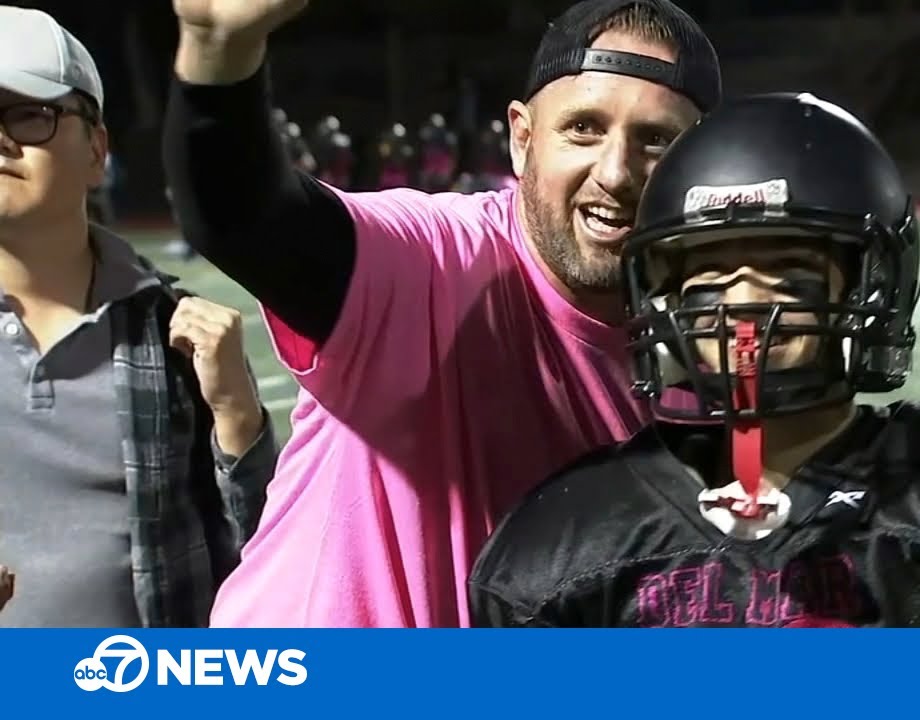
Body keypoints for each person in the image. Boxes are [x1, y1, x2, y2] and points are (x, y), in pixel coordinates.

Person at [469, 92, 920, 628]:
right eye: (710, 278)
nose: (747, 305)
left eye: (789, 271)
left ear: (871, 285)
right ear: (660, 295)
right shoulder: (560, 542)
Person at [162, 0, 721, 627]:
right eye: (584, 129)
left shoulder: (701, 348)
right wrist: (219, 56)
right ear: (522, 137)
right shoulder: (433, 259)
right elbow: (253, 218)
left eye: (656, 141)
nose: (617, 173)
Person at [0, 5, 278, 627]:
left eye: (28, 114)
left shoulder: (177, 339)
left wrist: (238, 419)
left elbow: (269, 561)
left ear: (97, 149)